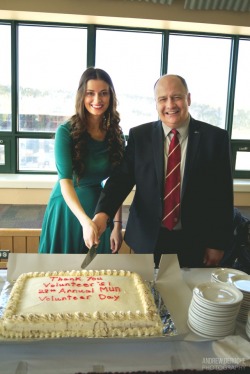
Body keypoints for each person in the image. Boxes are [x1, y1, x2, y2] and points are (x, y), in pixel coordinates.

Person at [92, 74, 234, 268]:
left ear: (188, 99)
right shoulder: (140, 136)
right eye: (162, 99)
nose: (170, 105)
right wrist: (102, 213)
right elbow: (121, 180)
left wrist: (217, 243)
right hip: (147, 239)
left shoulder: (215, 139)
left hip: (194, 241)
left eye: (176, 97)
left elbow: (222, 196)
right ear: (156, 103)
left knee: (187, 296)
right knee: (145, 294)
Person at [39, 67, 124, 254]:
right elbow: (66, 182)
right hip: (67, 208)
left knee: (98, 278)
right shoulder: (65, 131)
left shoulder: (116, 135)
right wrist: (84, 220)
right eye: (90, 93)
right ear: (81, 97)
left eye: (103, 93)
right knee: (61, 277)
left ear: (111, 97)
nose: (97, 100)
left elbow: (116, 184)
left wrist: (117, 225)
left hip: (99, 210)